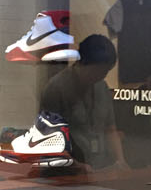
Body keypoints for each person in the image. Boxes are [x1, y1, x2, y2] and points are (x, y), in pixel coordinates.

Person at [40, 35, 122, 168]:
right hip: (66, 170)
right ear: (83, 62)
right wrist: (76, 166)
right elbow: (49, 138)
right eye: (97, 70)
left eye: (106, 71)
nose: (101, 76)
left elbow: (110, 130)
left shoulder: (102, 87)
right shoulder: (56, 88)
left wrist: (121, 162)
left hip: (99, 167)